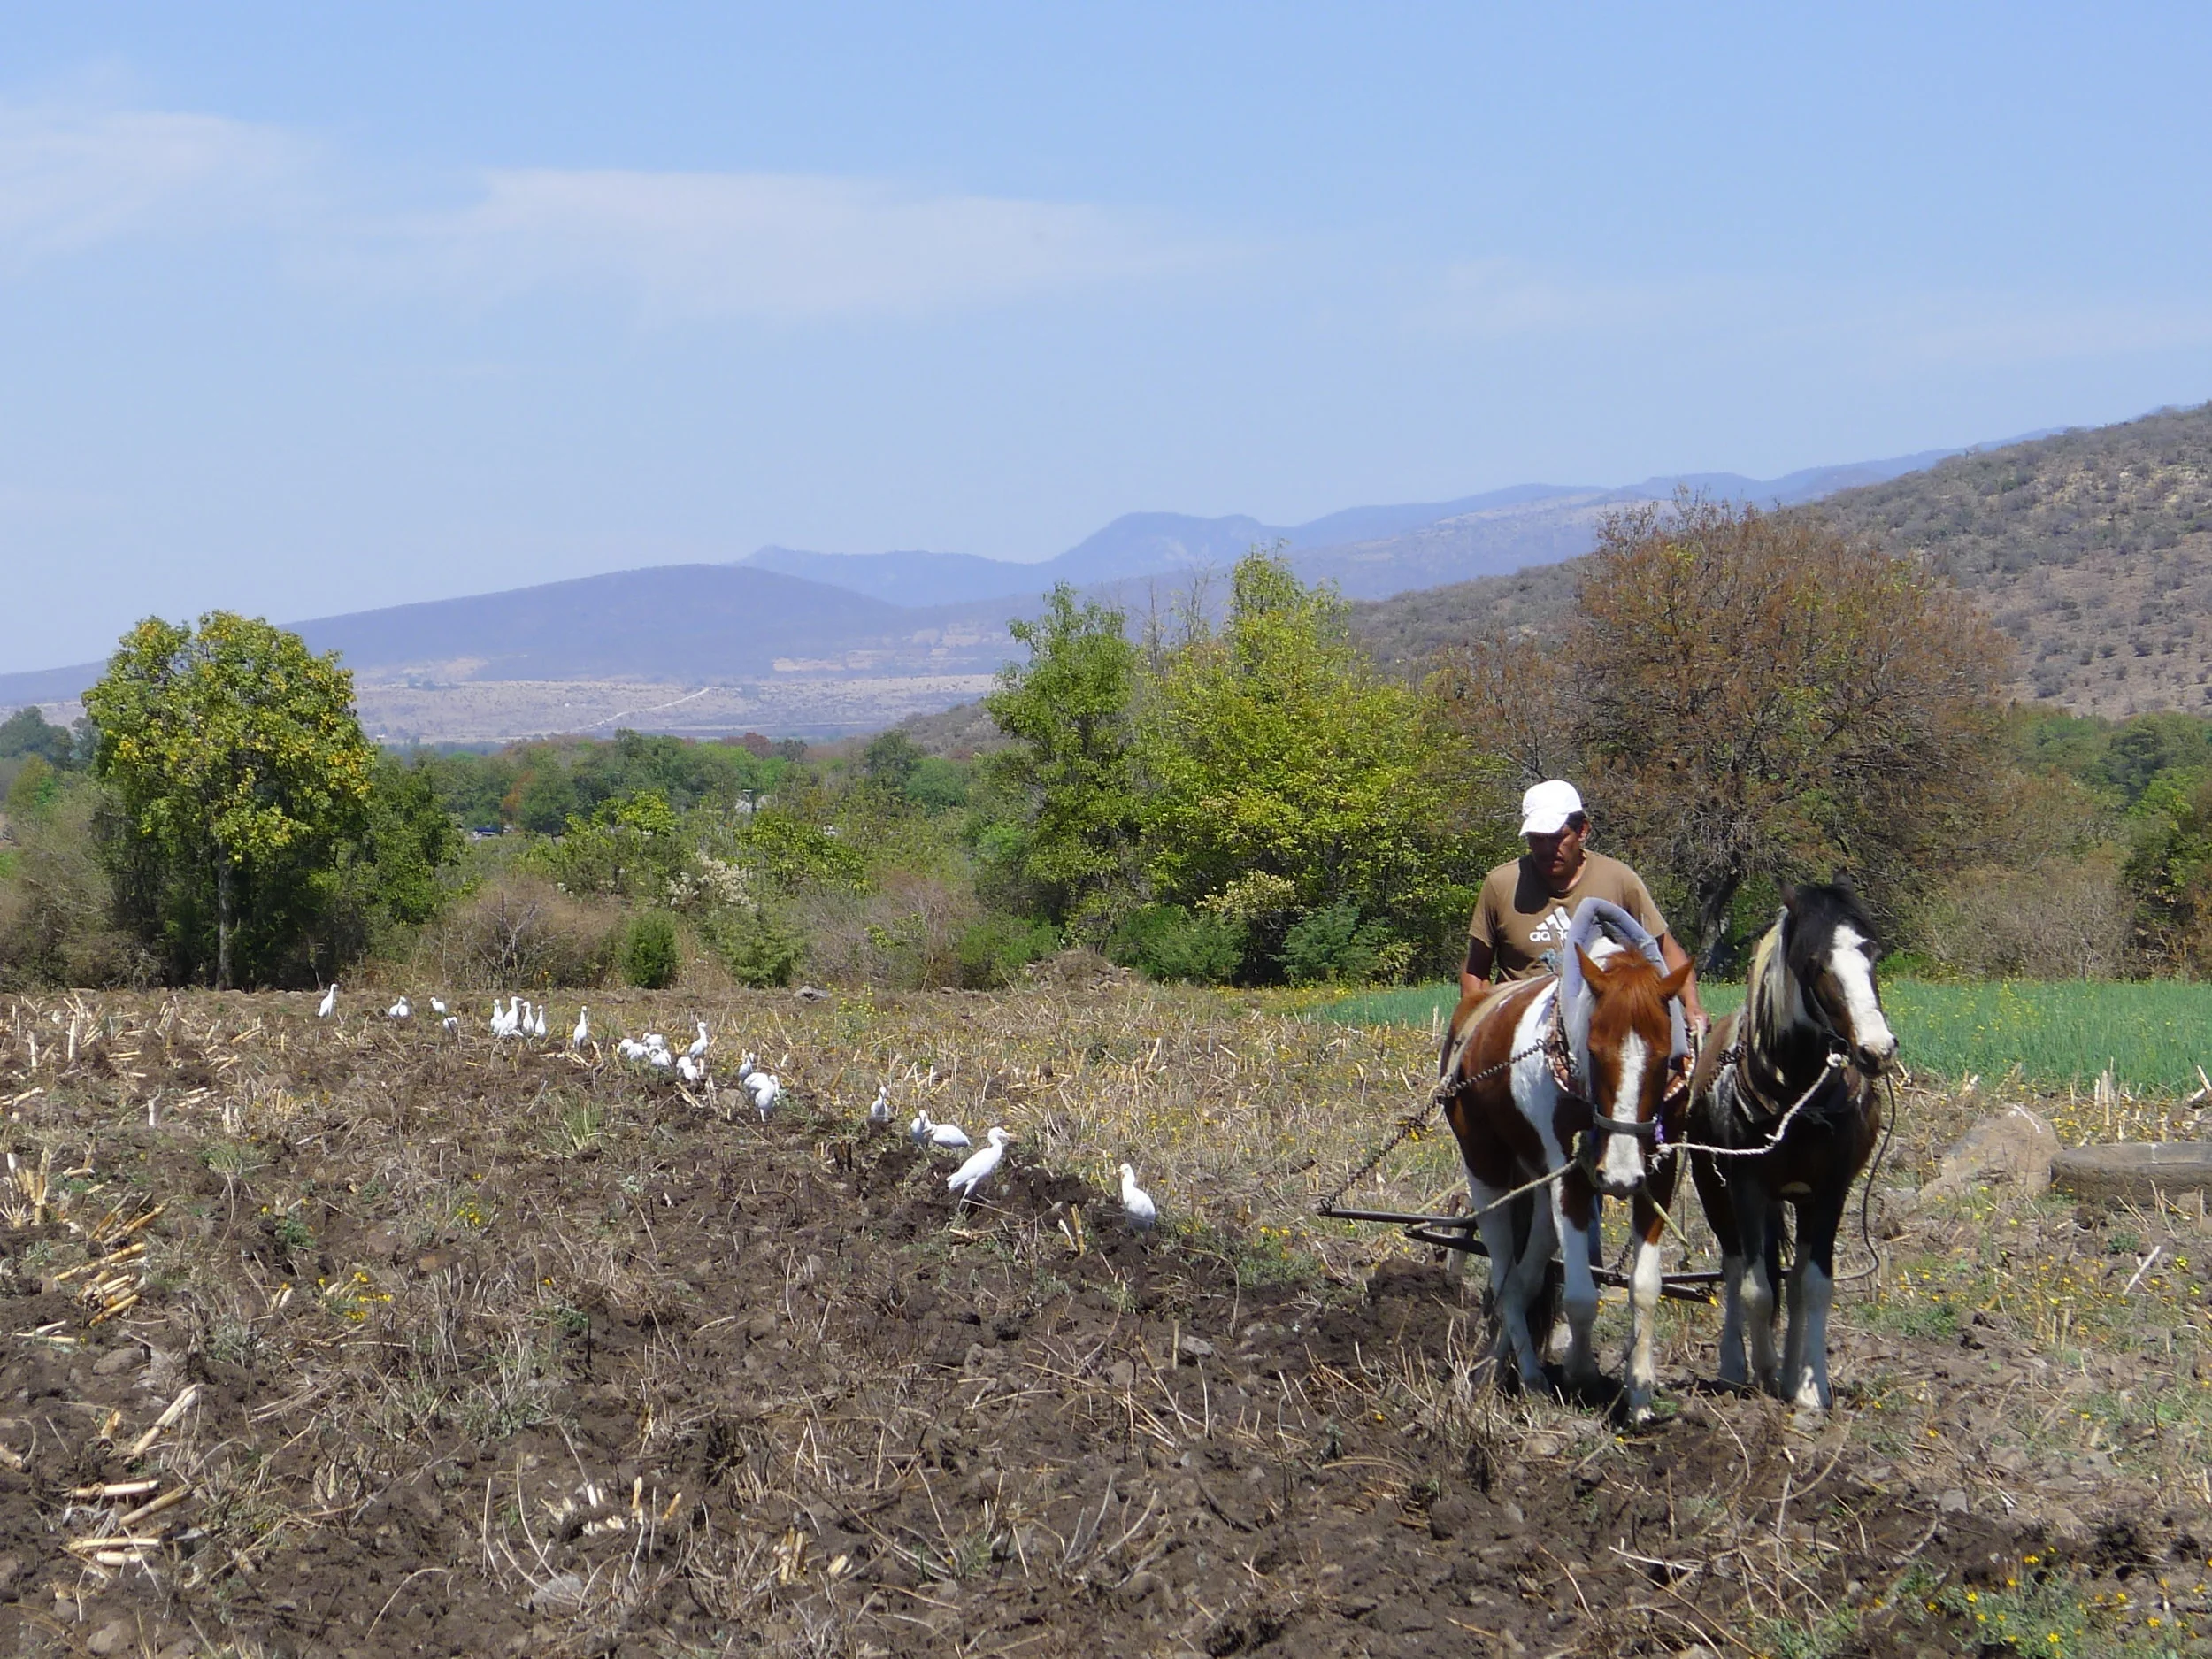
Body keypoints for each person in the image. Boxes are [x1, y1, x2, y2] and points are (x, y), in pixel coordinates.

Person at [1459, 779, 1708, 1040]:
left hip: (1601, 1026)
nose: (1545, 849)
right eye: (1536, 839)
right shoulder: (1501, 885)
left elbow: (1664, 950)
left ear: (1583, 831)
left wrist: (1692, 1006)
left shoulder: (1619, 881)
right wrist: (1472, 1025)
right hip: (1519, 1030)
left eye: (1557, 838)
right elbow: (1476, 967)